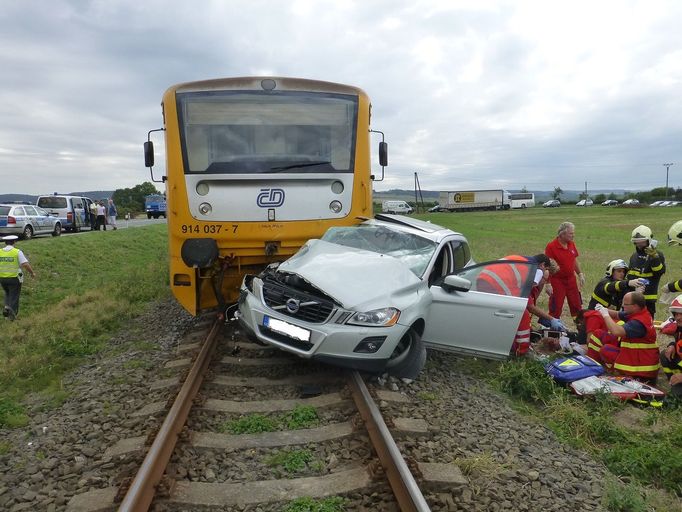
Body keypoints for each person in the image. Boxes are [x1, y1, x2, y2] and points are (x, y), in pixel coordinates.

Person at [591, 291, 660, 383]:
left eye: (626, 304)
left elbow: (616, 331)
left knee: (606, 350)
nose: (623, 305)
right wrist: (603, 309)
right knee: (598, 334)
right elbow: (617, 314)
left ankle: (608, 372)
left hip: (640, 369)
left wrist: (605, 315)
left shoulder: (638, 323)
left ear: (635, 306)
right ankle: (592, 366)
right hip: (635, 357)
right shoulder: (639, 312)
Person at [545, 221, 584, 320]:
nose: (573, 235)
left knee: (577, 306)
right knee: (556, 307)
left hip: (571, 280)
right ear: (562, 234)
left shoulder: (571, 244)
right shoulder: (551, 247)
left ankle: (580, 328)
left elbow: (573, 259)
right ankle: (553, 328)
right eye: (571, 233)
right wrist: (548, 283)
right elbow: (548, 266)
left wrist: (580, 274)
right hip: (557, 281)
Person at [626, 225, 665, 316]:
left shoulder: (657, 255)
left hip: (648, 300)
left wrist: (654, 257)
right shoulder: (634, 256)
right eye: (636, 243)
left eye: (642, 242)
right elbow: (630, 276)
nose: (639, 245)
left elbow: (659, 272)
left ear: (649, 240)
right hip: (633, 299)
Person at [0, 235, 35, 320]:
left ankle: (6, 309)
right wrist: (32, 273)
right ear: (14, 242)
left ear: (5, 243)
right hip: (14, 278)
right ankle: (11, 317)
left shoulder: (0, 251)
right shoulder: (17, 252)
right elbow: (25, 264)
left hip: (2, 278)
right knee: (14, 296)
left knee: (8, 293)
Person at [658, 295, 682, 398]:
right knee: (665, 355)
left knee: (676, 399)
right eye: (676, 314)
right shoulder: (680, 327)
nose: (678, 317)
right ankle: (673, 381)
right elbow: (678, 341)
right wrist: (672, 345)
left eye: (681, 314)